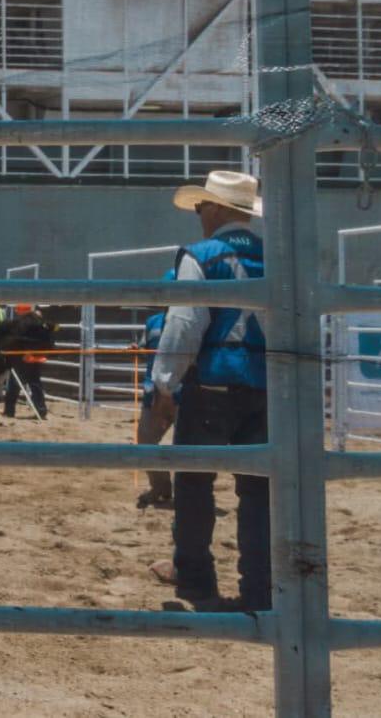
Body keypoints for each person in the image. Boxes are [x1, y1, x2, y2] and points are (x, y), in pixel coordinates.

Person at [149, 170, 268, 612]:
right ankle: (261, 587)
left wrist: (164, 386)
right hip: (266, 388)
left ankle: (195, 576)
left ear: (217, 209)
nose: (199, 214)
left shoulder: (200, 257)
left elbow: (184, 326)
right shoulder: (276, 257)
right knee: (259, 490)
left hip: (211, 386)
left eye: (201, 206)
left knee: (195, 483)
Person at [133, 277, 175, 509]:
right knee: (145, 442)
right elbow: (144, 347)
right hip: (153, 392)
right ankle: (161, 488)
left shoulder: (194, 321)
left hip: (184, 393)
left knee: (188, 446)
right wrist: (137, 350)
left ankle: (189, 492)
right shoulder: (153, 322)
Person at [2, 304, 47, 419]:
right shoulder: (38, 321)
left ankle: (9, 411)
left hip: (21, 357)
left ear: (19, 311)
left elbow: (15, 339)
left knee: (14, 385)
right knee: (35, 383)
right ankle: (41, 410)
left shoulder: (19, 323)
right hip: (34, 357)